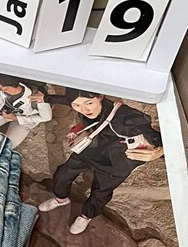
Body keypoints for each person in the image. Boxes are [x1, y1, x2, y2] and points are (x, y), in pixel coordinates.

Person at [35, 88, 162, 234]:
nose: (84, 110)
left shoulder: (125, 117)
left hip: (116, 162)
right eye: (77, 105)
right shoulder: (82, 106)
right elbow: (68, 101)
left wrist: (158, 153)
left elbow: (160, 139)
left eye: (89, 103)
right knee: (63, 173)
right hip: (92, 149)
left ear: (100, 96)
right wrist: (45, 98)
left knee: (100, 192)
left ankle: (86, 215)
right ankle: (61, 198)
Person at [0, 71, 53, 148]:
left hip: (25, 121)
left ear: (6, 88)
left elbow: (46, 117)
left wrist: (16, 118)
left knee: (4, 148)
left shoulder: (37, 97)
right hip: (0, 114)